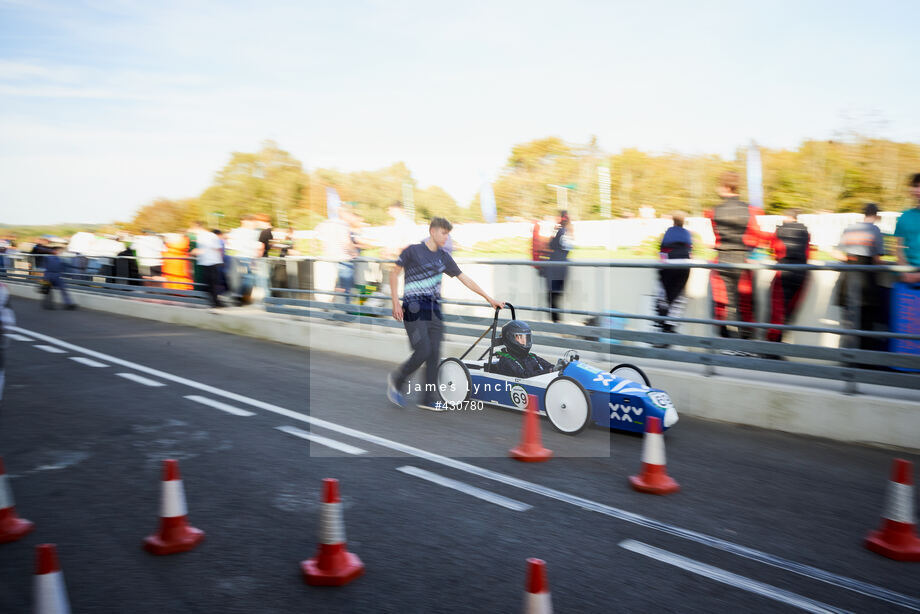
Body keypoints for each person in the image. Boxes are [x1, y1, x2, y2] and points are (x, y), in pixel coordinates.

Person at [386, 217, 504, 410]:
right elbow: (393, 273)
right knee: (423, 350)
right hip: (413, 309)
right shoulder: (412, 251)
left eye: (448, 234)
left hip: (434, 311)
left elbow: (464, 278)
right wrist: (395, 302)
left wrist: (489, 298)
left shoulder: (443, 257)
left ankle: (427, 398)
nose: (446, 237)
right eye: (443, 233)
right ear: (432, 231)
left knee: (434, 354)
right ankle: (397, 380)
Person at [705, 171, 766, 340]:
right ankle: (745, 344)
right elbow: (755, 236)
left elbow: (718, 236)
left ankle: (728, 343)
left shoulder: (713, 212)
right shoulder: (749, 210)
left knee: (724, 304)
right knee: (745, 304)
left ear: (725, 187)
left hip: (722, 260)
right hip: (742, 261)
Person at [837, 203, 887, 351]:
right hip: (866, 282)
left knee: (848, 322)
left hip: (847, 278)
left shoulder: (849, 228)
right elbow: (877, 260)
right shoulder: (875, 230)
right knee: (866, 324)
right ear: (877, 216)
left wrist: (851, 260)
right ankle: (863, 362)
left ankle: (847, 358)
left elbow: (838, 253)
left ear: (863, 214)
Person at [765, 210, 813, 345]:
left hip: (784, 271)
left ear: (786, 217)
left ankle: (773, 346)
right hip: (801, 274)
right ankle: (780, 341)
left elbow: (775, 251)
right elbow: (808, 253)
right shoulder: (805, 231)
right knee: (789, 310)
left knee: (777, 309)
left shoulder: (780, 230)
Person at [654, 212, 693, 343]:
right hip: (683, 268)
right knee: (678, 297)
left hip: (669, 266)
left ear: (673, 222)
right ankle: (669, 326)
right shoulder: (687, 234)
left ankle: (661, 324)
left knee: (663, 295)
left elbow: (662, 253)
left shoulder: (667, 233)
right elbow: (690, 253)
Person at [545, 211, 573, 323]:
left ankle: (557, 323)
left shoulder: (560, 231)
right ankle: (557, 322)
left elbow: (551, 245)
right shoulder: (568, 232)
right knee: (554, 297)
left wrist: (553, 231)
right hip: (562, 268)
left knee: (551, 297)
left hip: (556, 269)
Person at [190, 221, 224, 308]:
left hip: (211, 262)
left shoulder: (208, 236)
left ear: (197, 227)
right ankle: (215, 302)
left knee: (212, 284)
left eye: (193, 229)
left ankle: (216, 303)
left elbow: (217, 249)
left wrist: (194, 252)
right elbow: (215, 249)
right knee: (211, 284)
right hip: (209, 262)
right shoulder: (204, 236)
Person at [895, 173, 920, 283]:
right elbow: (898, 248)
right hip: (908, 279)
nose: (918, 190)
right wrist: (904, 272)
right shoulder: (904, 216)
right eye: (915, 186)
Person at [42, 246, 76, 310]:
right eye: (59, 251)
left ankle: (68, 304)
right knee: (48, 291)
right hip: (50, 276)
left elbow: (65, 267)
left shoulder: (59, 259)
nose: (60, 252)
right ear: (54, 251)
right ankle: (48, 304)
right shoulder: (48, 258)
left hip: (54, 276)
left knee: (63, 289)